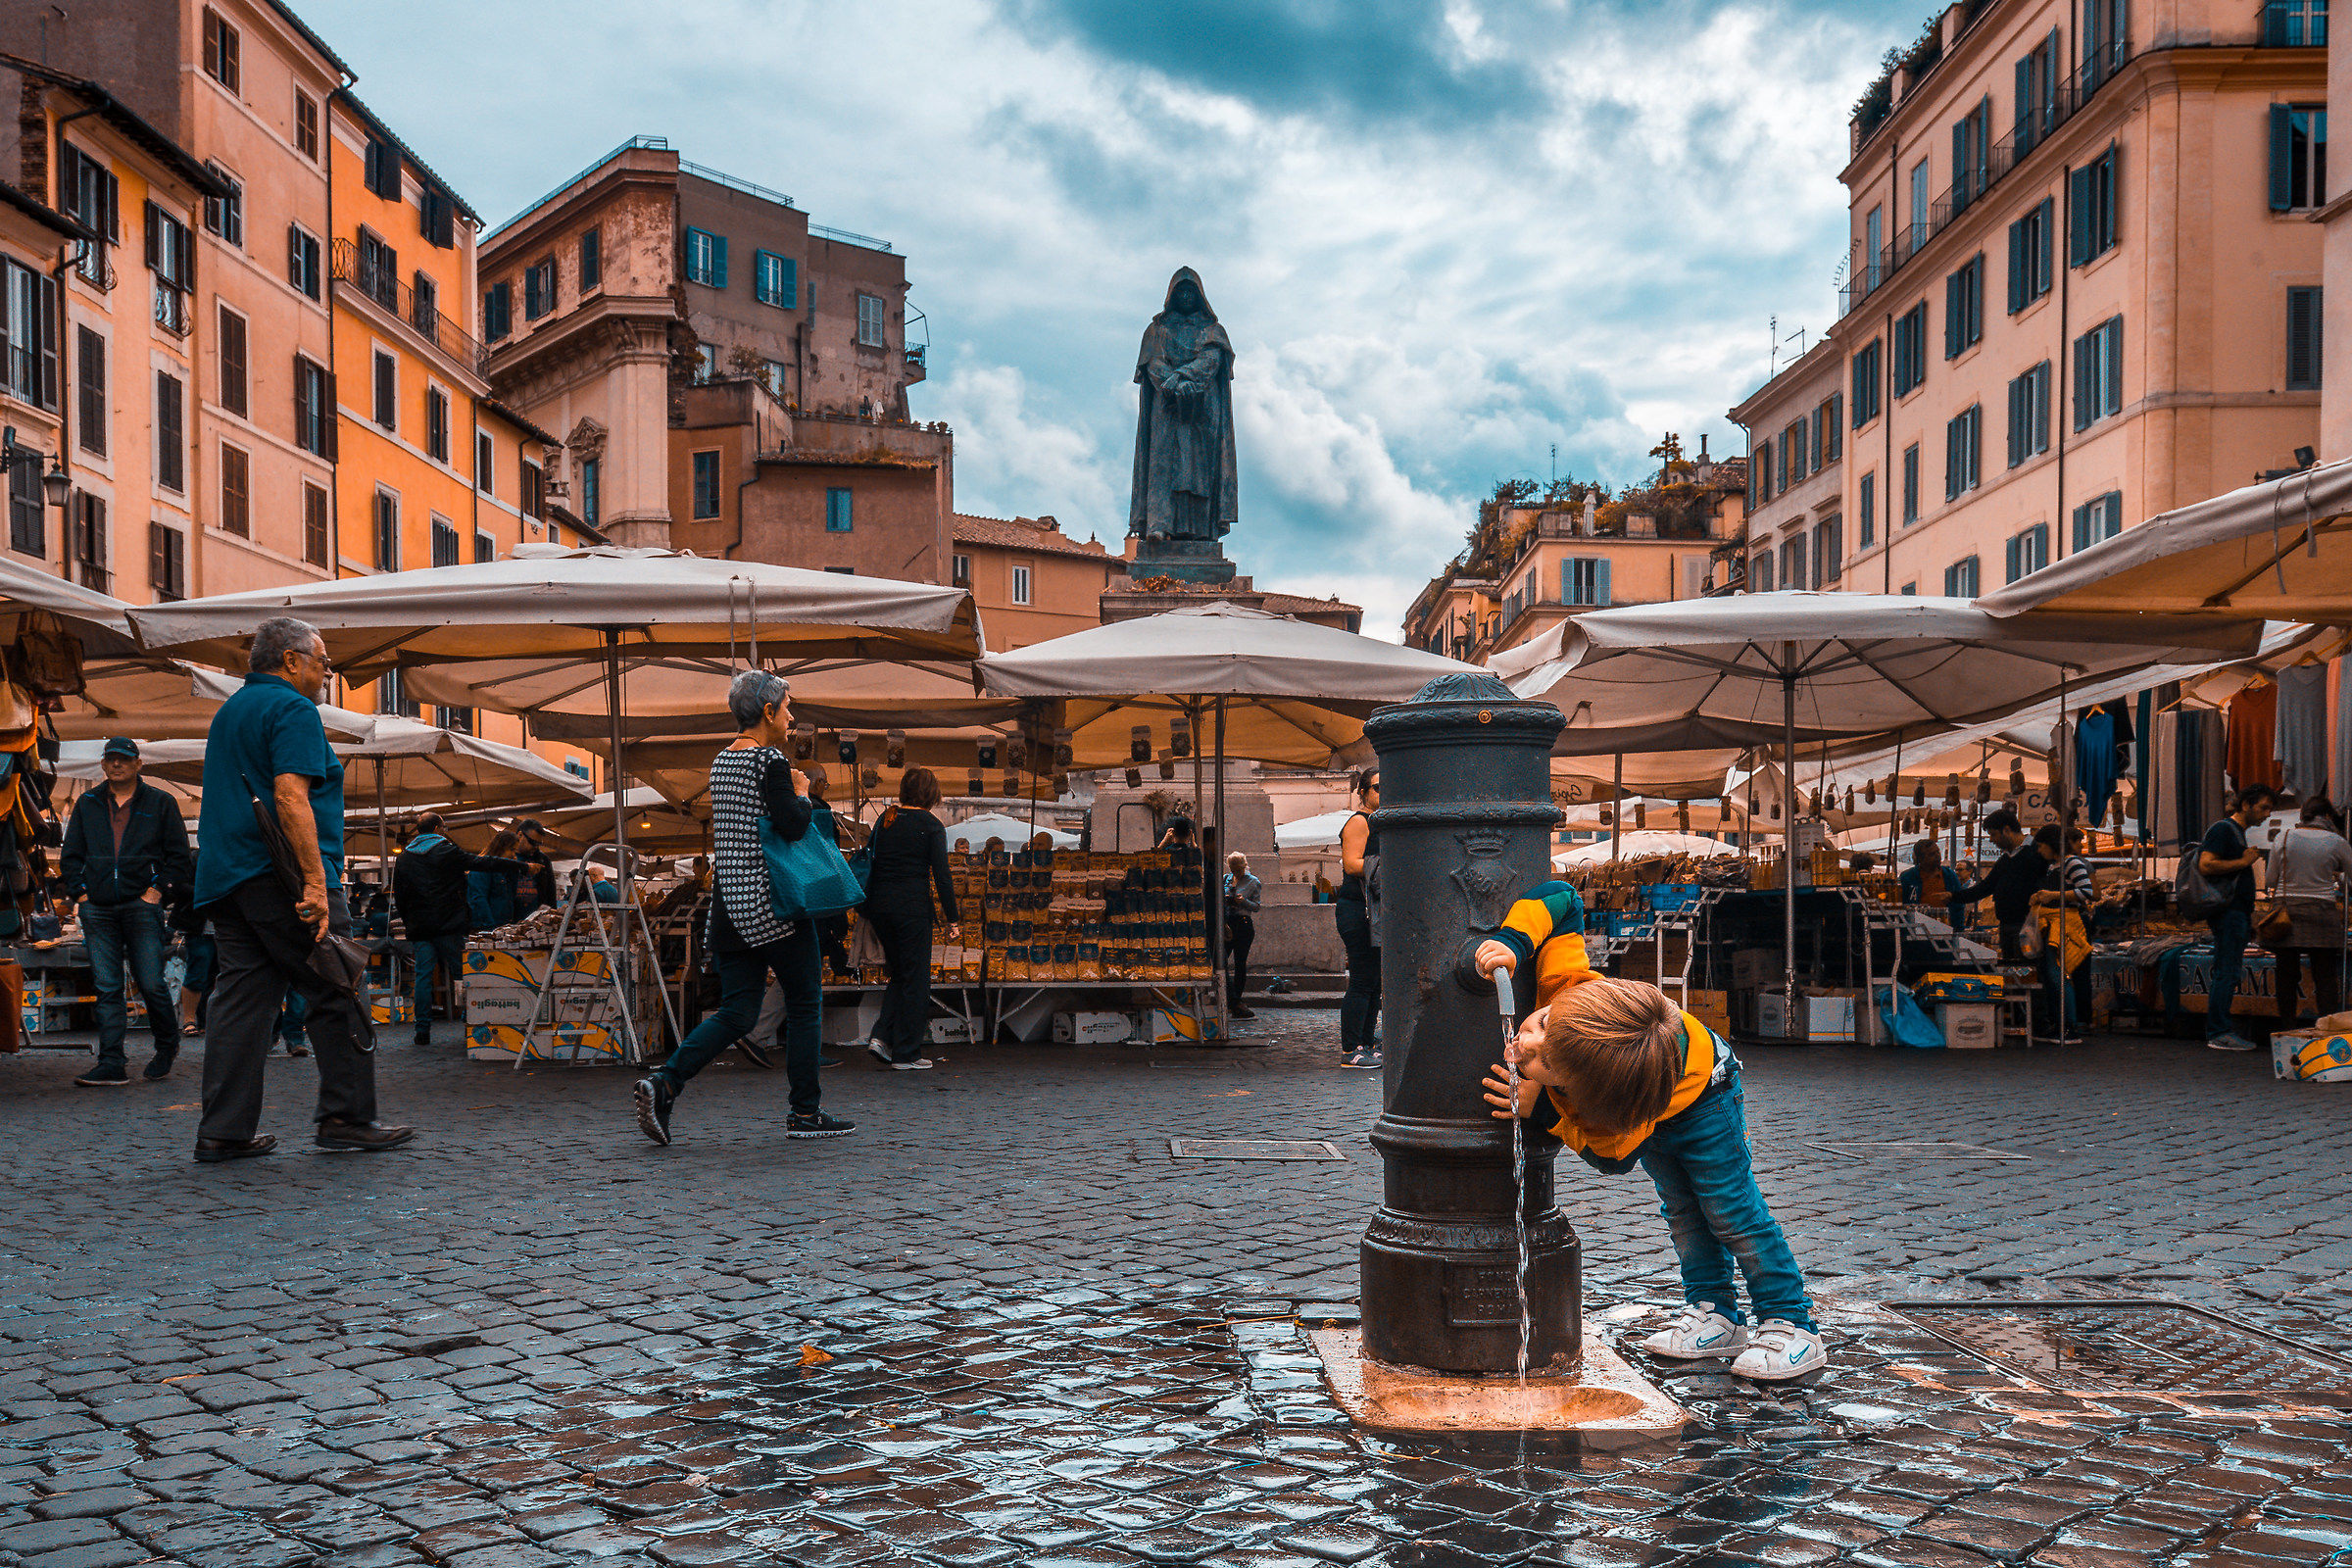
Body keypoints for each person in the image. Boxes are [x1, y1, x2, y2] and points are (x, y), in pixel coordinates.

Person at [1476, 971, 1824, 1383]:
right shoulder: (1576, 997)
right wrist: (1514, 941)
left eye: (1546, 1061)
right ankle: (1717, 1314)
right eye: (1545, 1024)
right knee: (1683, 1213)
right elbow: (1564, 906)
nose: (1522, 1043)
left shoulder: (1620, 1091)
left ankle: (1792, 1322)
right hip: (1654, 1098)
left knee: (1732, 1211)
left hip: (1706, 1099)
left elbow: (1614, 1154)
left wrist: (1548, 1111)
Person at [191, 617, 412, 1163]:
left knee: (242, 1001)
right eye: (323, 661)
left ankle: (224, 1130)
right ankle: (347, 1116)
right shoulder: (293, 709)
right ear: (290, 661)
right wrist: (316, 882)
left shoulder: (230, 712)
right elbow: (290, 797)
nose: (327, 672)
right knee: (339, 985)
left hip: (229, 877)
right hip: (282, 877)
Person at [632, 671, 851, 1145]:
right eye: (788, 706)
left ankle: (665, 1082)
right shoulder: (771, 761)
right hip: (775, 903)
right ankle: (805, 1113)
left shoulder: (720, 763)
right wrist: (801, 792)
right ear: (768, 712)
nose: (793, 716)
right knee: (805, 1003)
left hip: (730, 904)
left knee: (737, 1012)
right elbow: (792, 828)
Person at [59, 737, 194, 1085]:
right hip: (97, 908)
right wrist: (81, 893)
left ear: (138, 765)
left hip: (141, 905)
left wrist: (156, 892)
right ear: (103, 765)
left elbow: (179, 857)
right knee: (107, 987)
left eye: (124, 759)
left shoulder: (160, 802)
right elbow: (71, 854)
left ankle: (167, 1044)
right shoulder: (88, 802)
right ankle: (111, 1062)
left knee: (151, 983)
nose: (117, 764)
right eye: (111, 759)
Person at [392, 811, 521, 1049]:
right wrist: (519, 866)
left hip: (420, 927)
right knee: (462, 975)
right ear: (440, 828)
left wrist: (410, 921)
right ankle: (468, 1022)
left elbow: (399, 895)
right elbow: (481, 862)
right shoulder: (446, 851)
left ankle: (422, 1030)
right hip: (448, 924)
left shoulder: (404, 858)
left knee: (423, 977)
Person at [862, 767, 960, 1071]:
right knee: (916, 979)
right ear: (932, 794)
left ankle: (880, 1036)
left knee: (901, 973)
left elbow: (871, 858)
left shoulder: (885, 818)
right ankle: (906, 1052)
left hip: (879, 907)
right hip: (912, 909)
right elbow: (942, 877)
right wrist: (952, 919)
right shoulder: (931, 825)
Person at [2198, 784, 2277, 1053]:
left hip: (2237, 913)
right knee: (2227, 971)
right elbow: (2206, 864)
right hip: (2228, 914)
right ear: (2246, 804)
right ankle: (2219, 1031)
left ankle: (2220, 1029)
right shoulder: (2223, 830)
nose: (2267, 814)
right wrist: (2244, 862)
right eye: (2264, 807)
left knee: (2228, 971)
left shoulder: (2236, 833)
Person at [2264, 795, 2351, 1023]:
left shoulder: (2283, 837)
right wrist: (2339, 876)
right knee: (2325, 976)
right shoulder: (2337, 842)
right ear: (2328, 816)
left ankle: (2287, 1028)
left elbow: (2270, 880)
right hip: (2323, 912)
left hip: (2286, 914)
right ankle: (2327, 1030)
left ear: (2304, 816)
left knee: (2286, 976)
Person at [2029, 824, 2093, 1044]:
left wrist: (2051, 894)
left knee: (2059, 976)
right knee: (2051, 976)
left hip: (2065, 925)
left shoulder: (2072, 862)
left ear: (2052, 844)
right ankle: (2060, 1024)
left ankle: (2070, 1027)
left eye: (2041, 846)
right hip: (2050, 925)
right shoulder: (2052, 866)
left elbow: (2087, 892)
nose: (2039, 851)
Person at [1335, 770, 1382, 1068]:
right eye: (1378, 787)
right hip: (1357, 908)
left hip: (1372, 909)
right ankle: (1350, 1048)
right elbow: (1352, 864)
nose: (1384, 791)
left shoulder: (1380, 822)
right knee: (1363, 980)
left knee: (1375, 982)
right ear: (1362, 792)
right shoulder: (1358, 821)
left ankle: (1366, 1042)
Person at [1951, 808, 2041, 960]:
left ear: (2006, 830)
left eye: (1993, 834)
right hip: (2007, 927)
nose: (1992, 840)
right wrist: (1952, 896)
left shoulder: (2036, 852)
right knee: (2011, 974)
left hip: (2029, 927)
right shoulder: (2006, 859)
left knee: (2027, 974)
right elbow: (1985, 887)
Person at [1223, 851, 1261, 1019]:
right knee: (1221, 961)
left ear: (1244, 866)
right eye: (1232, 868)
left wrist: (1242, 901)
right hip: (1226, 921)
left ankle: (1236, 1000)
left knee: (1240, 963)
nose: (1235, 872)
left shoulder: (1253, 882)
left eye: (1238, 869)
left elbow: (1256, 906)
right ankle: (1230, 999)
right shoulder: (1226, 878)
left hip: (1243, 923)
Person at [1897, 841, 1962, 912]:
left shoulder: (1950, 875)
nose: (1937, 856)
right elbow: (1901, 904)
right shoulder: (1908, 877)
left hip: (1945, 921)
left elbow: (1959, 904)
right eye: (1932, 854)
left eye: (1938, 852)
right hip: (1917, 921)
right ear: (1921, 858)